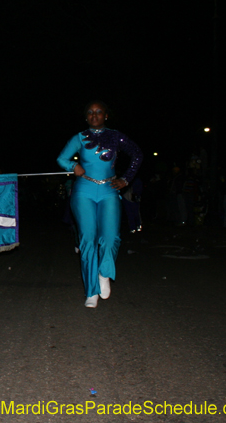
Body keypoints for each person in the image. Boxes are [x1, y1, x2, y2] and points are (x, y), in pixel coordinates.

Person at [56, 101, 143, 308]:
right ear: (86, 117)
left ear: (106, 115)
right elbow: (61, 158)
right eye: (90, 112)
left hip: (109, 190)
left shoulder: (116, 136)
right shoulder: (79, 137)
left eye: (98, 112)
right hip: (84, 190)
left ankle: (104, 273)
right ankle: (91, 291)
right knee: (88, 239)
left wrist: (126, 179)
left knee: (111, 238)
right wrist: (73, 165)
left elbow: (137, 154)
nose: (94, 115)